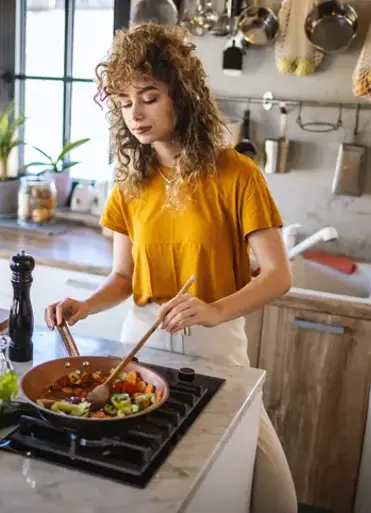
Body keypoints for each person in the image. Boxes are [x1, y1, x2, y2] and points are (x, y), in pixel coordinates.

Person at [44, 23, 298, 513]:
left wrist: (213, 310)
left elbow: (278, 275)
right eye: (123, 101)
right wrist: (85, 306)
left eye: (149, 96)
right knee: (157, 484)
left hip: (216, 346)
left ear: (181, 96)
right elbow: (123, 277)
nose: (135, 113)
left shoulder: (237, 174)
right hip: (141, 344)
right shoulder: (130, 182)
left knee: (273, 492)